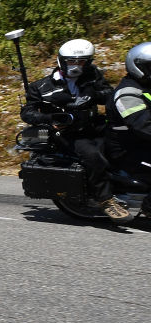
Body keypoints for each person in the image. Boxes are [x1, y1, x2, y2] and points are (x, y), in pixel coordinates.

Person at [20, 38, 128, 221]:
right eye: (72, 61)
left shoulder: (93, 76)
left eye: (81, 61)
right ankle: (105, 201)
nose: (76, 65)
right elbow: (27, 113)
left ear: (88, 62)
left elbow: (109, 95)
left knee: (125, 143)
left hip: (93, 126)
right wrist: (50, 118)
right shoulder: (41, 87)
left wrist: (93, 95)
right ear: (62, 60)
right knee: (94, 156)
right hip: (66, 134)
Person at [105, 42, 151, 219]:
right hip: (127, 149)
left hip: (142, 143)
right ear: (139, 67)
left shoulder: (146, 85)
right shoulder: (127, 93)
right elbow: (143, 124)